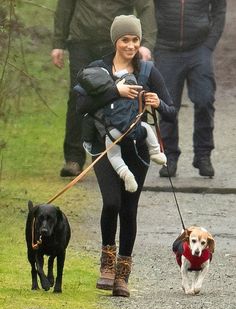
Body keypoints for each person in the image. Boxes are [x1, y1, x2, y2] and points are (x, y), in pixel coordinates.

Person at [76, 15, 176, 297]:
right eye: (125, 40)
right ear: (115, 41)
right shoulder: (97, 69)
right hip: (103, 146)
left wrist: (158, 103)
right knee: (111, 202)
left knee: (129, 210)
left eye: (135, 39)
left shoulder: (147, 71)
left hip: (136, 147)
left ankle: (123, 274)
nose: (130, 45)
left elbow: (171, 110)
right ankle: (106, 264)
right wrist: (114, 90)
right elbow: (80, 105)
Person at [51, 0, 157, 177]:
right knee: (79, 96)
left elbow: (145, 7)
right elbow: (65, 6)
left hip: (116, 43)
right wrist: (58, 42)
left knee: (126, 95)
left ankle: (129, 153)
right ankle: (74, 158)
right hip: (81, 42)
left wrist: (146, 43)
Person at [153, 0, 226, 177]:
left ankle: (203, 156)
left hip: (199, 48)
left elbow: (220, 9)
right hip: (165, 48)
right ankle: (169, 157)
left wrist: (209, 44)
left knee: (205, 99)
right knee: (167, 106)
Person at [77, 68, 167, 193]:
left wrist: (88, 143)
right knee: (146, 127)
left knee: (114, 156)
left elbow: (87, 124)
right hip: (132, 126)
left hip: (111, 133)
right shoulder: (122, 84)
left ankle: (125, 174)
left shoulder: (95, 99)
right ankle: (156, 152)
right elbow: (130, 79)